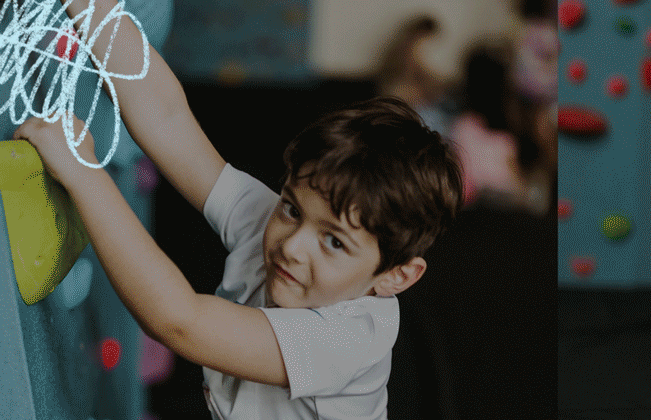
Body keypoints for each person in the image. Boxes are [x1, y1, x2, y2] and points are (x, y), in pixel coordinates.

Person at [17, 0, 461, 419]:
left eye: (333, 242)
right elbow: (169, 119)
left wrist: (82, 172)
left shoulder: (350, 339)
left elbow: (180, 321)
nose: (293, 247)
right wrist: (91, 8)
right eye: (291, 207)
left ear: (396, 276)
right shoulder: (278, 228)